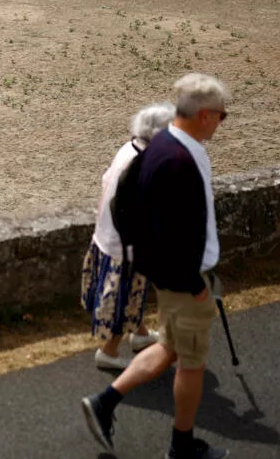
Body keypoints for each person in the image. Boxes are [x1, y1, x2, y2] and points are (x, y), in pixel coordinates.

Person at [81, 73, 232, 459]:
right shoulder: (177, 159)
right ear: (202, 115)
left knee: (169, 347)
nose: (222, 121)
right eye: (220, 115)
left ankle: (105, 402)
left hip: (178, 278)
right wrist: (191, 282)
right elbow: (165, 230)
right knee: (192, 365)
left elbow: (125, 208)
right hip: (186, 283)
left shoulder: (162, 145)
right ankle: (181, 447)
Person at [81, 101, 176, 370]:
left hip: (108, 233)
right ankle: (108, 353)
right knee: (124, 299)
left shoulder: (130, 148)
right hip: (127, 245)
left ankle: (141, 335)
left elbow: (106, 180)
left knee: (134, 293)